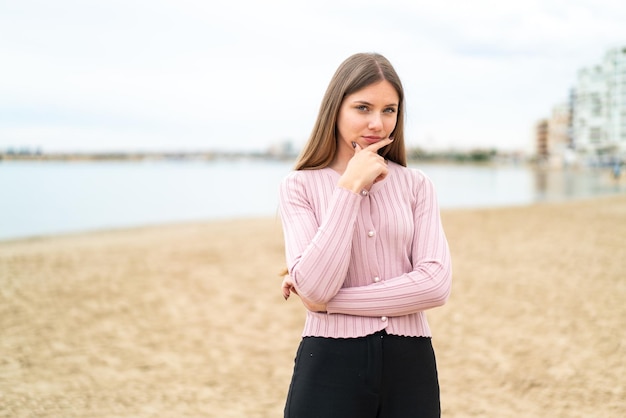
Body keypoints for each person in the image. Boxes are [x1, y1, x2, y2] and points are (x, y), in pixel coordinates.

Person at [278, 52, 452, 418]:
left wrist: (329, 304)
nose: (378, 122)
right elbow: (316, 284)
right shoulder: (299, 186)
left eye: (390, 110)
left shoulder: (417, 185)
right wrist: (351, 186)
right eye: (363, 107)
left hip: (411, 364)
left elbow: (435, 285)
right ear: (335, 109)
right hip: (328, 362)